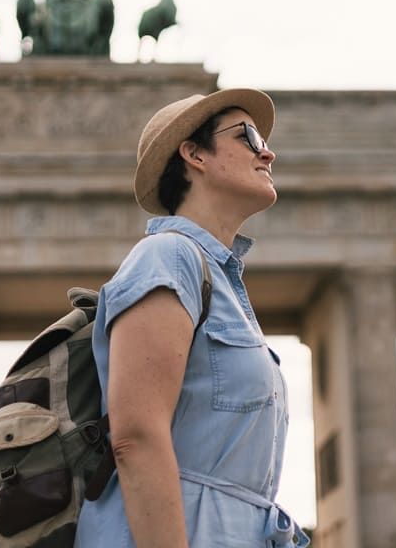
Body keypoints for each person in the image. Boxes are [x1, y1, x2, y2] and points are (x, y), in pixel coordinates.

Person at [74, 89, 309, 548]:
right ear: (194, 153)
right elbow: (136, 437)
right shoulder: (168, 257)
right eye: (248, 135)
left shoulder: (218, 280)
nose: (268, 150)